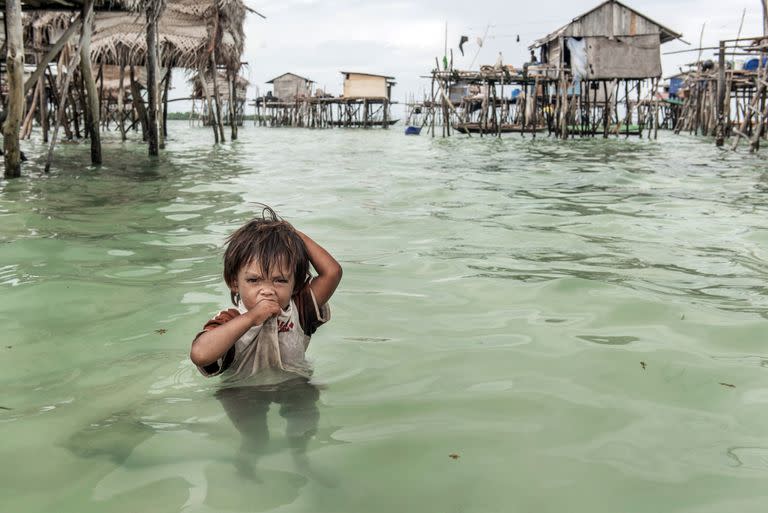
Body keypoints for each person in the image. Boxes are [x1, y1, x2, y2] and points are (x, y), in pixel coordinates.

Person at [190, 206, 342, 478]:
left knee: (303, 430)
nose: (267, 289)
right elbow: (201, 354)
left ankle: (302, 461)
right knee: (256, 439)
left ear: (296, 286)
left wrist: (290, 233)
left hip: (294, 383)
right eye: (253, 280)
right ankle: (246, 467)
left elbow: (332, 272)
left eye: (280, 280)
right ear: (233, 283)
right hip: (243, 392)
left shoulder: (299, 309)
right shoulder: (231, 320)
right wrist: (252, 317)